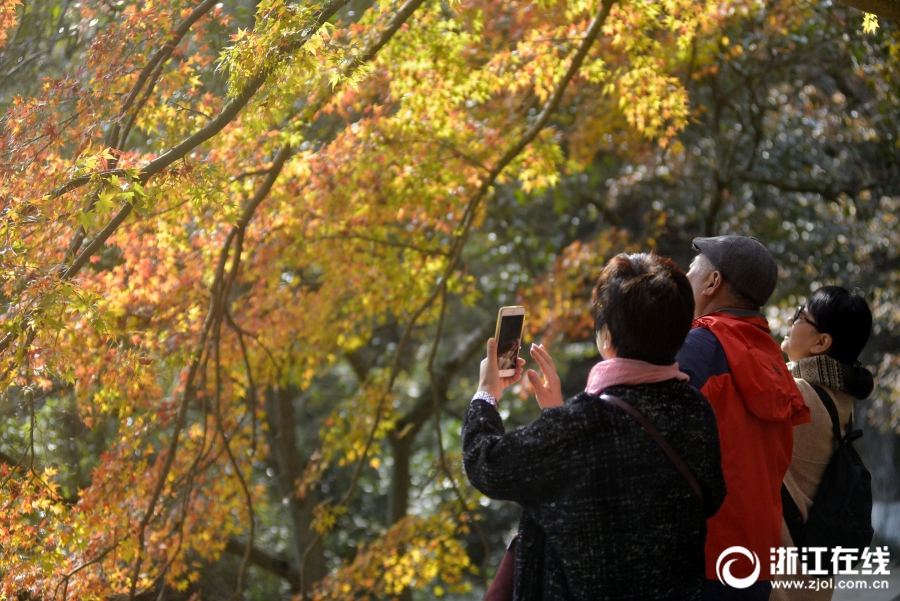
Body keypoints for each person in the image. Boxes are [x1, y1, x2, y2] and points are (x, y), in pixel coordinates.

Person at [462, 253, 726, 600]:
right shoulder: (696, 410)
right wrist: (558, 416)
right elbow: (711, 497)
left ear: (605, 335)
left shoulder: (581, 425)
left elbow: (487, 463)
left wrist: (487, 393)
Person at [675, 236, 810, 601]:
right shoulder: (771, 357)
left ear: (712, 282)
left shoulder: (696, 349)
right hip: (756, 558)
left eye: (690, 272)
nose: (683, 280)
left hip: (703, 556)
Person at [771, 287, 875, 601]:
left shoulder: (798, 396)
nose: (790, 319)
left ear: (821, 342)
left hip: (781, 585)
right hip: (812, 584)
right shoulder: (839, 398)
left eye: (801, 315)